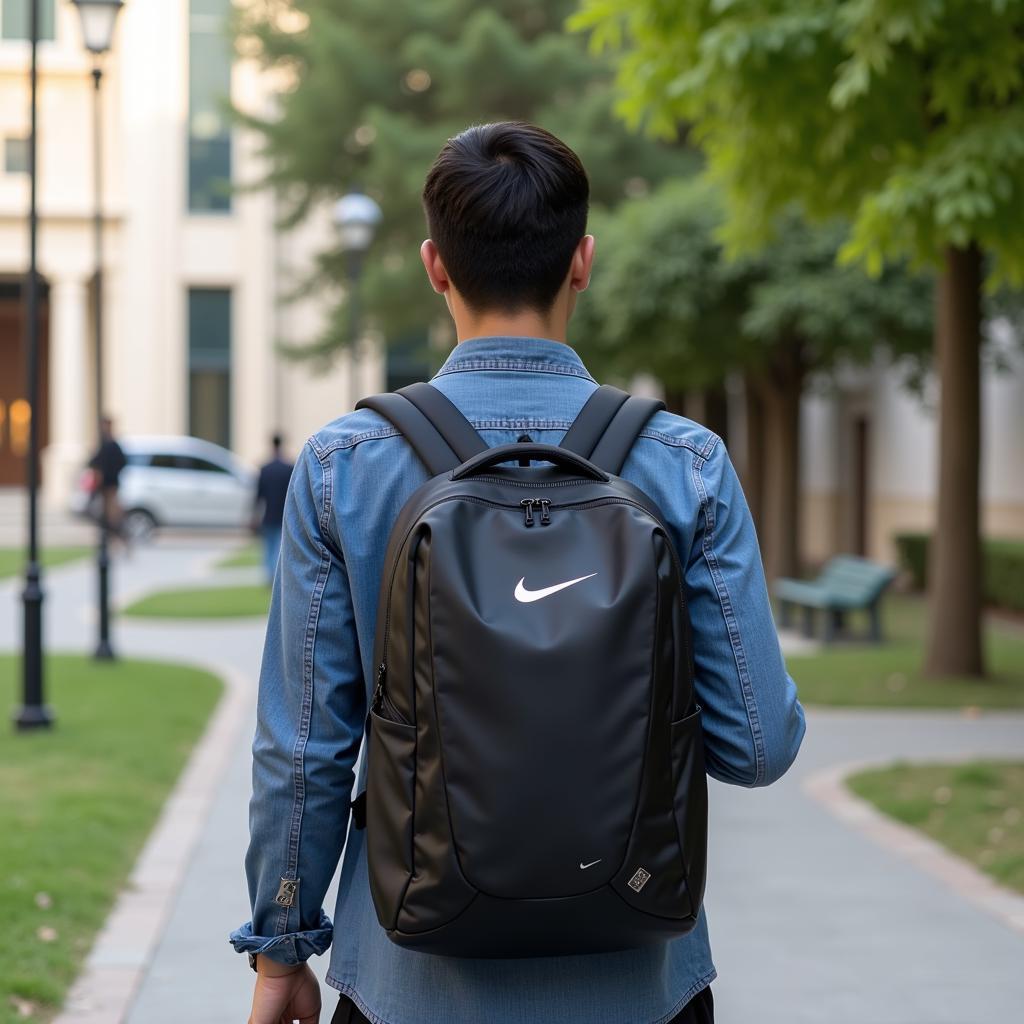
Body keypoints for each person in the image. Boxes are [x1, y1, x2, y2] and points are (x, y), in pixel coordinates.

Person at [230, 122, 805, 1024]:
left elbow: (303, 750)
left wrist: (281, 951)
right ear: (582, 261)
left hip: (407, 981)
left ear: (434, 266)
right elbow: (759, 747)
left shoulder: (347, 463)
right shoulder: (683, 462)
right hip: (641, 980)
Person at [253, 434, 294, 584]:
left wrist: (254, 516)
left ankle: (270, 575)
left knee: (268, 548)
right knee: (278, 546)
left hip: (268, 514)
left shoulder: (265, 469)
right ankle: (276, 576)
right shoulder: (289, 468)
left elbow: (258, 496)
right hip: (283, 515)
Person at [89, 415, 127, 538]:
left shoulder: (112, 444)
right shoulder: (104, 443)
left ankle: (116, 537)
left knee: (112, 514)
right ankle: (111, 537)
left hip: (110, 484)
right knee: (106, 513)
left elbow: (121, 463)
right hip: (105, 485)